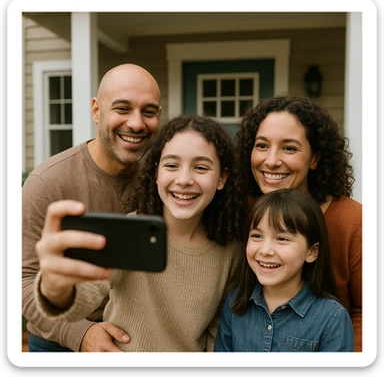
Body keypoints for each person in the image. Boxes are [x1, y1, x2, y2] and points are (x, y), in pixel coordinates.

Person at [33, 114, 246, 351]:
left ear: (222, 178)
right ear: (156, 173)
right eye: (172, 165)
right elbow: (83, 296)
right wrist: (56, 287)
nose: (184, 179)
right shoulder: (129, 233)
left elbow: (217, 331)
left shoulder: (231, 250)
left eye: (201, 167)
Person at [22, 63, 163, 352]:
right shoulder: (47, 183)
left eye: (148, 112)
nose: (136, 124)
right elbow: (21, 280)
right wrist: (80, 333)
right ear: (97, 111)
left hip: (135, 337)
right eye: (122, 109)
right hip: (58, 342)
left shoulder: (164, 179)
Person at [234, 94, 362, 351]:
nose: (271, 160)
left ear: (315, 158)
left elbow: (367, 311)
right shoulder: (238, 207)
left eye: (289, 148)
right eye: (261, 145)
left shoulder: (351, 220)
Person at [214, 188, 354, 352]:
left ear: (312, 251)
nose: (265, 250)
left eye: (282, 239)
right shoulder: (235, 303)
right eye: (257, 236)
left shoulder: (332, 318)